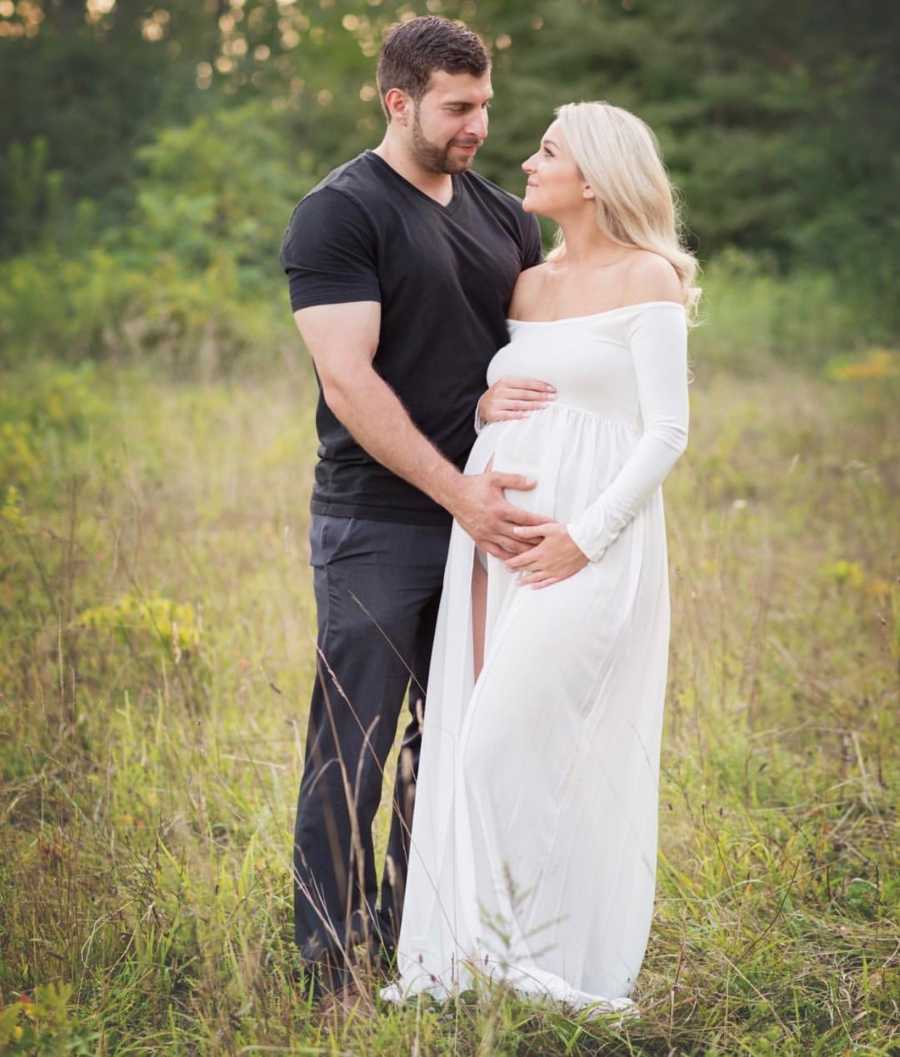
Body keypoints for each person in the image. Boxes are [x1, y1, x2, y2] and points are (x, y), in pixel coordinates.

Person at [381, 100, 699, 1017]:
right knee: (483, 734)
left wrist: (584, 536)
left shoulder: (650, 280)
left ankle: (537, 960)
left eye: (547, 151)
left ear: (595, 176)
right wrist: (482, 410)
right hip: (496, 541)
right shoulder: (527, 283)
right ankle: (481, 956)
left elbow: (667, 433)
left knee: (497, 746)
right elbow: (510, 391)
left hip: (585, 546)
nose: (525, 163)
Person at [279, 16, 551, 994]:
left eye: (485, 103)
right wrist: (458, 495)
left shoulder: (502, 218)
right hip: (378, 522)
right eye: (458, 107)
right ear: (399, 102)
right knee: (354, 738)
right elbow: (349, 381)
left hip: (483, 520)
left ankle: (415, 942)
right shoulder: (340, 213)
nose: (480, 123)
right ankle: (326, 961)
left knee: (455, 739)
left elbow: (525, 358)